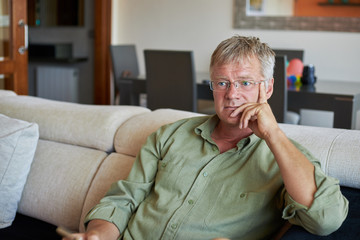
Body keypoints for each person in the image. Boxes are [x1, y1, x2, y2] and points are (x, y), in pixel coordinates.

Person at [64, 36, 348, 240]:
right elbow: (122, 200)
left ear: (269, 87)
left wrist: (273, 134)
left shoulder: (285, 158)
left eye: (245, 83)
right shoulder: (169, 135)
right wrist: (98, 234)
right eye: (222, 83)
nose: (232, 94)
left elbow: (326, 220)